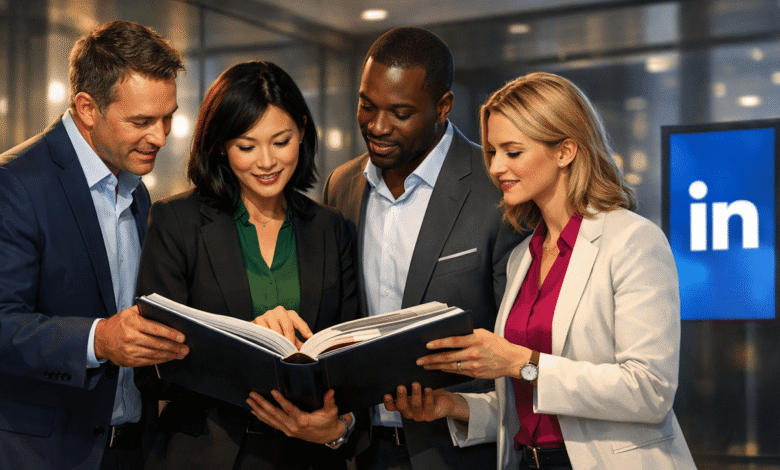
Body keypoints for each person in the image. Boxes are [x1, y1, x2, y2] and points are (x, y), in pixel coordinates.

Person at [385, 72, 698, 470]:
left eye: (512, 152)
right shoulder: (523, 257)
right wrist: (453, 404)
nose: (496, 167)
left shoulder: (633, 240)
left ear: (565, 150)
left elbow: (650, 391)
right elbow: (528, 401)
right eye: (493, 151)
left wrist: (521, 361)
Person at [135, 60, 360, 470]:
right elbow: (151, 371)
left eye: (281, 141)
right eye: (246, 146)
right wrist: (243, 344)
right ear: (221, 145)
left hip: (307, 457)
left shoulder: (331, 228)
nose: (267, 161)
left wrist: (337, 426)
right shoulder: (176, 222)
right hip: (205, 453)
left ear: (303, 134)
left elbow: (351, 364)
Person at [322, 26, 523, 470]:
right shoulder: (342, 185)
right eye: (366, 105)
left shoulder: (497, 188)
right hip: (361, 449)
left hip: (460, 450)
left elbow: (521, 343)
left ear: (443, 106)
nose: (376, 126)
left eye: (400, 112)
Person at [0, 20, 187, 470]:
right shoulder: (14, 184)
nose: (160, 137)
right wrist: (98, 340)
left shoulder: (135, 188)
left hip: (132, 450)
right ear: (86, 108)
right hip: (46, 455)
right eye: (142, 121)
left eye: (168, 118)